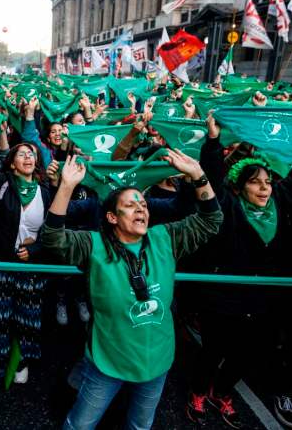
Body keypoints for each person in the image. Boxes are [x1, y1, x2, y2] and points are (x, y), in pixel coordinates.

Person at [40, 152, 222, 430]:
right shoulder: (94, 246)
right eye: (130, 205)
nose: (141, 209)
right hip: (107, 363)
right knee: (80, 425)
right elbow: (53, 238)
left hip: (156, 363)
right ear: (112, 217)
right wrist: (66, 186)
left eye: (143, 203)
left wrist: (198, 175)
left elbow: (211, 221)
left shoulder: (165, 238)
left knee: (140, 426)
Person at [185, 115, 292, 428]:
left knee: (245, 353)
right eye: (255, 182)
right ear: (241, 186)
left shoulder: (281, 202)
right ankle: (199, 391)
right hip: (223, 297)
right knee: (214, 349)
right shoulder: (227, 205)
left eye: (268, 182)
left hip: (263, 300)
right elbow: (212, 179)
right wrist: (213, 143)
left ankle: (223, 392)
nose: (264, 187)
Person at [0, 140, 53, 384]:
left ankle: (23, 360)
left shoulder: (45, 192)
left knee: (28, 316)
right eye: (22, 154)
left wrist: (35, 250)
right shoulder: (2, 184)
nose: (28, 157)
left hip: (29, 269)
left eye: (32, 154)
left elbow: (52, 233)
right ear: (12, 164)